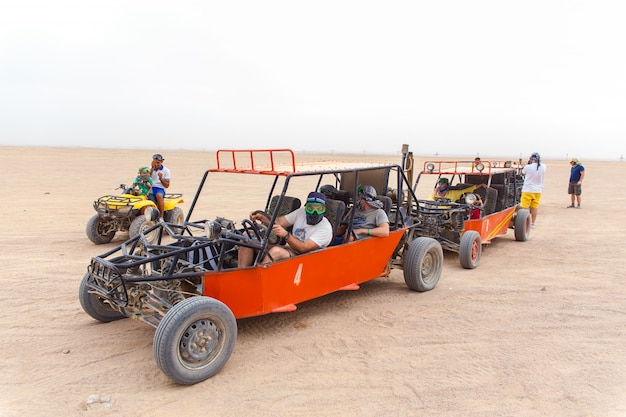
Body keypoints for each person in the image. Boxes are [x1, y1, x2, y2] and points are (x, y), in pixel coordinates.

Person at [237, 191, 333, 267]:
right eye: (310, 208)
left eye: (319, 209)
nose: (314, 212)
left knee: (276, 251)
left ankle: (257, 280)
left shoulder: (325, 228)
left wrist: (286, 235)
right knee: (248, 235)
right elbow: (279, 222)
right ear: (306, 208)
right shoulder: (301, 212)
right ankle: (241, 274)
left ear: (324, 210)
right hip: (288, 249)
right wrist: (262, 217)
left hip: (305, 258)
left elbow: (303, 248)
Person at [520, 152, 547, 227]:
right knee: (534, 207)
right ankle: (532, 223)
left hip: (528, 189)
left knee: (525, 207)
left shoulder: (528, 167)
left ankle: (525, 223)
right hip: (538, 190)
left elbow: (523, 173)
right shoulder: (544, 167)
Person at [150, 153, 171, 221]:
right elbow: (147, 178)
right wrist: (152, 169)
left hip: (159, 188)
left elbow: (167, 185)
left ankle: (161, 216)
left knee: (159, 195)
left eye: (158, 163)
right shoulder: (150, 169)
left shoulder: (166, 170)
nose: (156, 164)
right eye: (154, 162)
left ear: (161, 162)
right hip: (150, 187)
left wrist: (161, 179)